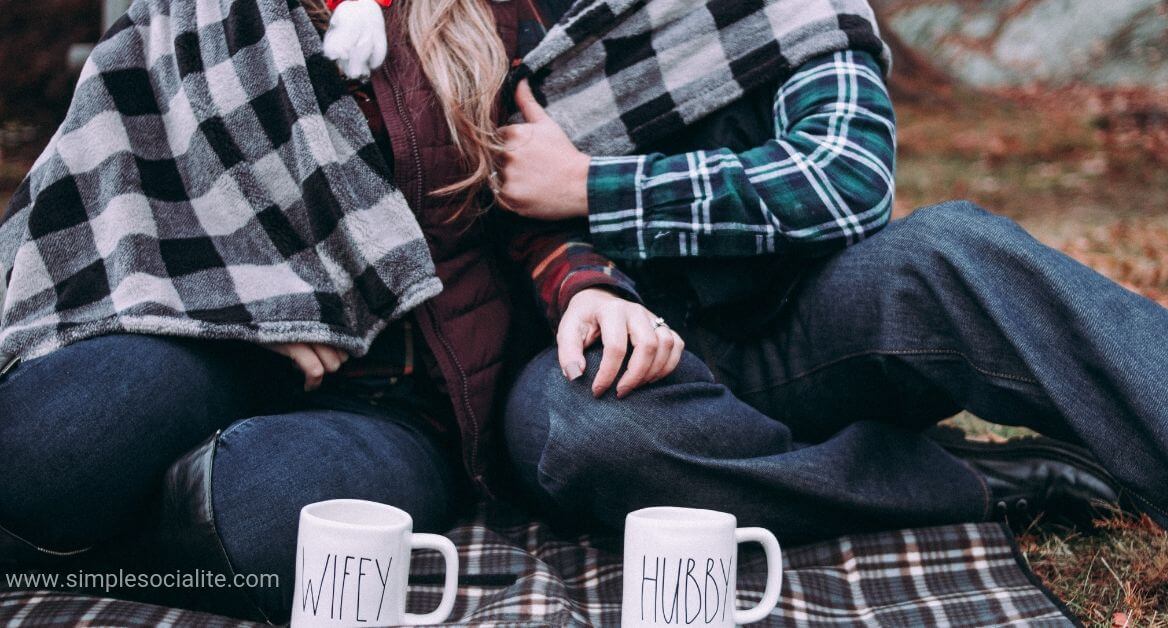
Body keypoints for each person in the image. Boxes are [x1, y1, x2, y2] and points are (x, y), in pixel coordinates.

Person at [0, 0, 680, 622]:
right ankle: (89, 515)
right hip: (210, 337)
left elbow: (537, 195)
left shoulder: (487, 21)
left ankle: (83, 545)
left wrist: (587, 286)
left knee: (265, 515)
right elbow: (113, 195)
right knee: (46, 441)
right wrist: (251, 308)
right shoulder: (185, 15)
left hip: (393, 397)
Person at [500, 2, 1168, 554]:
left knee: (948, 250)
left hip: (801, 327)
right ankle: (969, 482)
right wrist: (586, 277)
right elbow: (489, 214)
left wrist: (596, 188)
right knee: (577, 434)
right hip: (629, 369)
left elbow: (845, 178)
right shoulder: (485, 23)